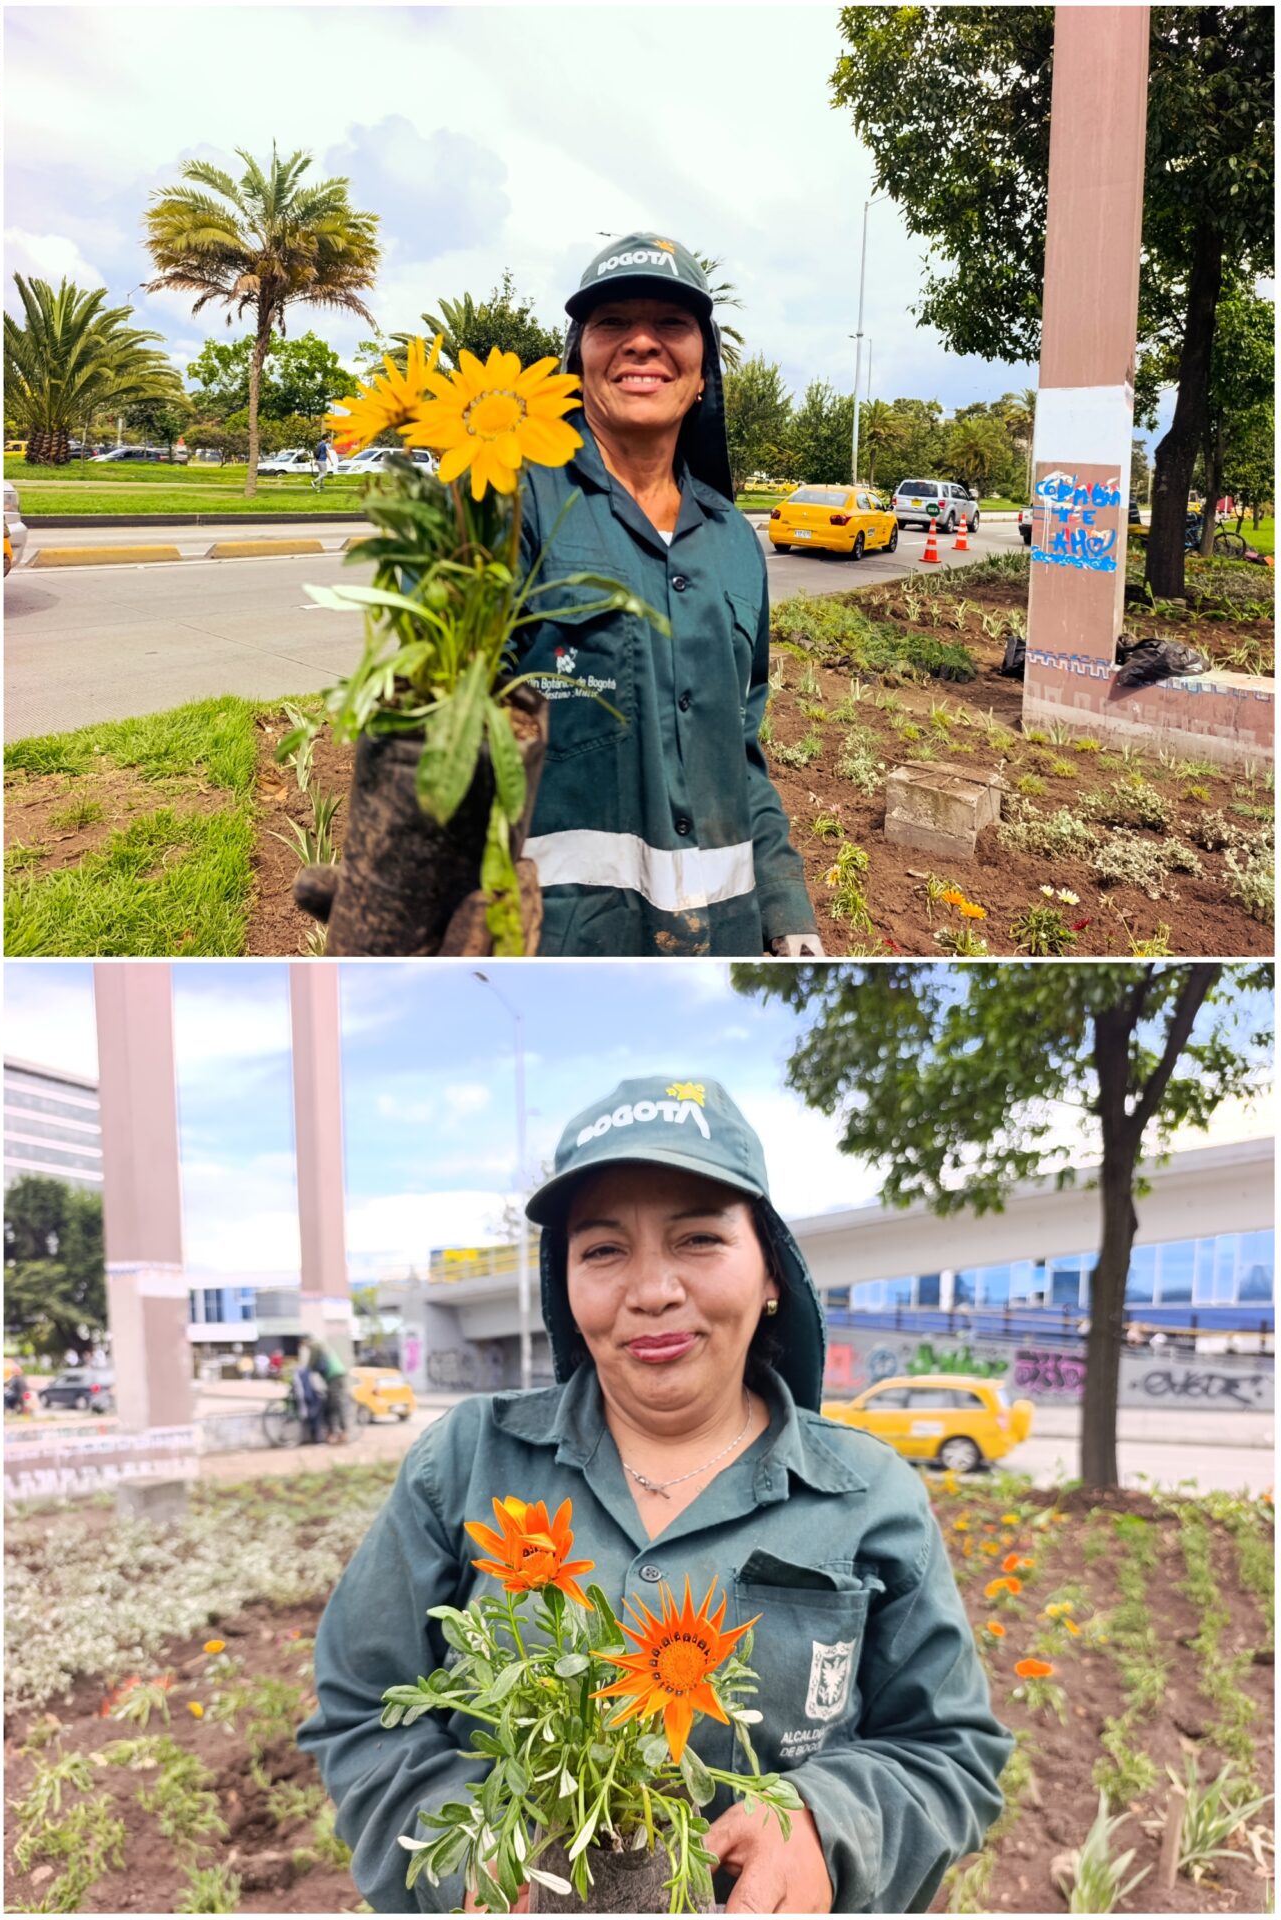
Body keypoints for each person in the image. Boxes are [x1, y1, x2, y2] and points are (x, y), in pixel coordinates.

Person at [300, 1075, 1007, 1913]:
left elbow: (950, 1748)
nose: (652, 1290)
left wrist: (828, 1824)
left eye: (699, 1239)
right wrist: (476, 1859)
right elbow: (361, 1712)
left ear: (772, 1271)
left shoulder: (867, 1491)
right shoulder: (468, 1461)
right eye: (603, 1250)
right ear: (563, 1282)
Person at [511, 234, 820, 957]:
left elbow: (739, 750)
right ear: (577, 360)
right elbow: (439, 734)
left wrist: (786, 909)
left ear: (704, 372)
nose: (642, 343)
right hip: (559, 944)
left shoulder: (735, 542)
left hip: (723, 942)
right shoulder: (513, 506)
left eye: (672, 325)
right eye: (612, 323)